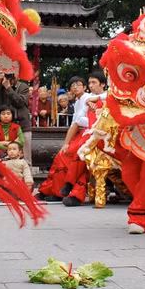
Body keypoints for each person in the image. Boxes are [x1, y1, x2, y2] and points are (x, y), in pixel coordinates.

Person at [37, 72, 107, 206]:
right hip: (87, 133)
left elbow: (107, 99)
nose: (74, 87)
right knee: (63, 155)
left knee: (79, 156)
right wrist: (66, 143)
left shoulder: (94, 97)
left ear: (102, 84)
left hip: (102, 136)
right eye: (72, 85)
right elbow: (76, 122)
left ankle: (75, 192)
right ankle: (56, 190)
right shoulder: (84, 100)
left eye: (94, 83)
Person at [0, 72, 32, 165]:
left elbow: (20, 102)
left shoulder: (23, 87)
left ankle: (27, 176)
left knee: (25, 159)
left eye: (13, 73)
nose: (10, 76)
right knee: (6, 158)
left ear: (18, 74)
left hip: (22, 125)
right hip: (5, 126)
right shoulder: (1, 86)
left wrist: (8, 88)